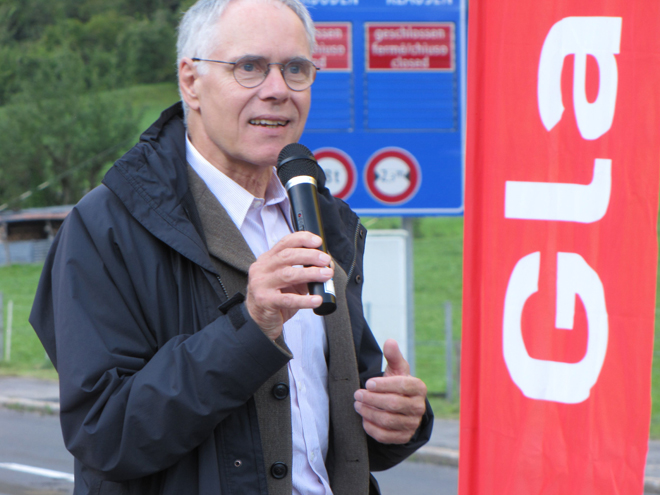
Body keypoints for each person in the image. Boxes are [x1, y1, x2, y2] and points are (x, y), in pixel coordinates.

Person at [30, 0, 433, 493]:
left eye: (296, 68)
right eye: (249, 67)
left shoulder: (324, 219)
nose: (278, 90)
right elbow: (106, 435)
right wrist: (250, 328)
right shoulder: (105, 228)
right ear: (191, 81)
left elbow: (324, 422)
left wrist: (398, 419)